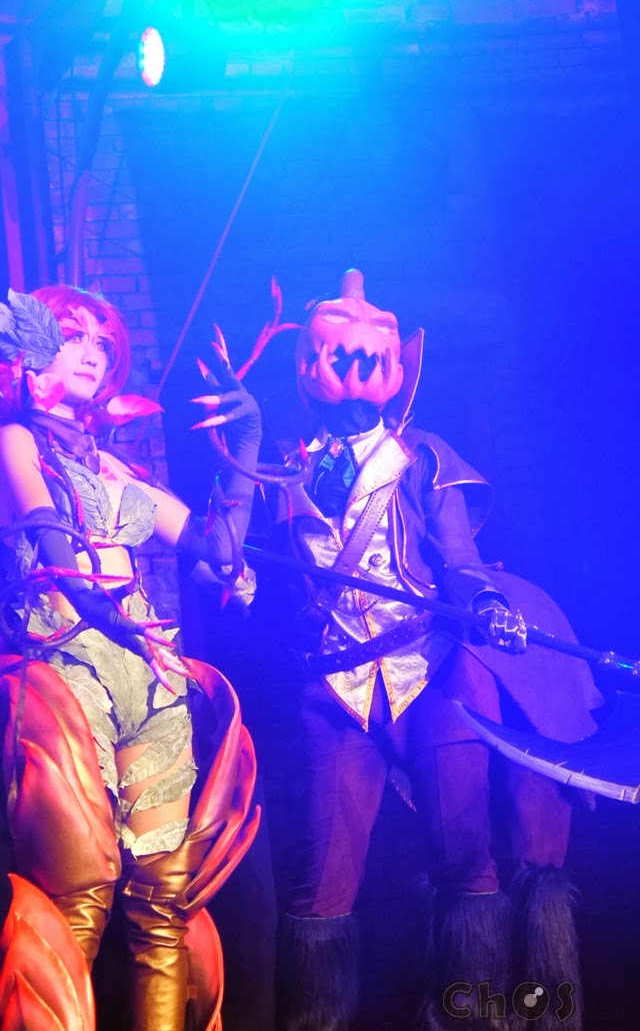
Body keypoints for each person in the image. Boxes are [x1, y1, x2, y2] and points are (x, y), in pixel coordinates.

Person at [261, 269, 602, 1031]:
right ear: (309, 367)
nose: (357, 371)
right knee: (321, 879)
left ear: (396, 370)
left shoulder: (422, 458)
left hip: (428, 668)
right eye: (339, 356)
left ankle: (472, 1015)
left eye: (373, 358)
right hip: (336, 683)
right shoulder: (279, 465)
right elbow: (242, 569)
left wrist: (485, 603)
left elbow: (459, 557)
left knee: (466, 854)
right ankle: (314, 1019)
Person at [0, 284, 261, 1030]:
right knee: (79, 894)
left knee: (164, 904)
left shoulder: (118, 472)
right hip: (65, 664)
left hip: (148, 674)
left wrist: (246, 445)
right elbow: (52, 547)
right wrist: (107, 615)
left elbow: (217, 549)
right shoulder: (15, 440)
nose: (91, 352)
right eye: (71, 335)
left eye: (102, 343)